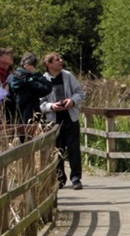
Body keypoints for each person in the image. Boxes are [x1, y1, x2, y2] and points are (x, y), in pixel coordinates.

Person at [39, 52, 86, 189]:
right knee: (57, 150)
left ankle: (76, 178)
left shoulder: (68, 76)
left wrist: (72, 101)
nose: (61, 61)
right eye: (57, 59)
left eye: (61, 58)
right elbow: (41, 103)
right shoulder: (43, 80)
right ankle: (60, 179)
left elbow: (80, 93)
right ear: (49, 64)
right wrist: (51, 106)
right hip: (53, 121)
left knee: (74, 149)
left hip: (70, 118)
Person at [7, 51, 52, 141]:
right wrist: (35, 74)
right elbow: (47, 88)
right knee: (27, 142)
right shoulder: (25, 78)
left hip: (18, 116)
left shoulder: (12, 76)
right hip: (27, 115)